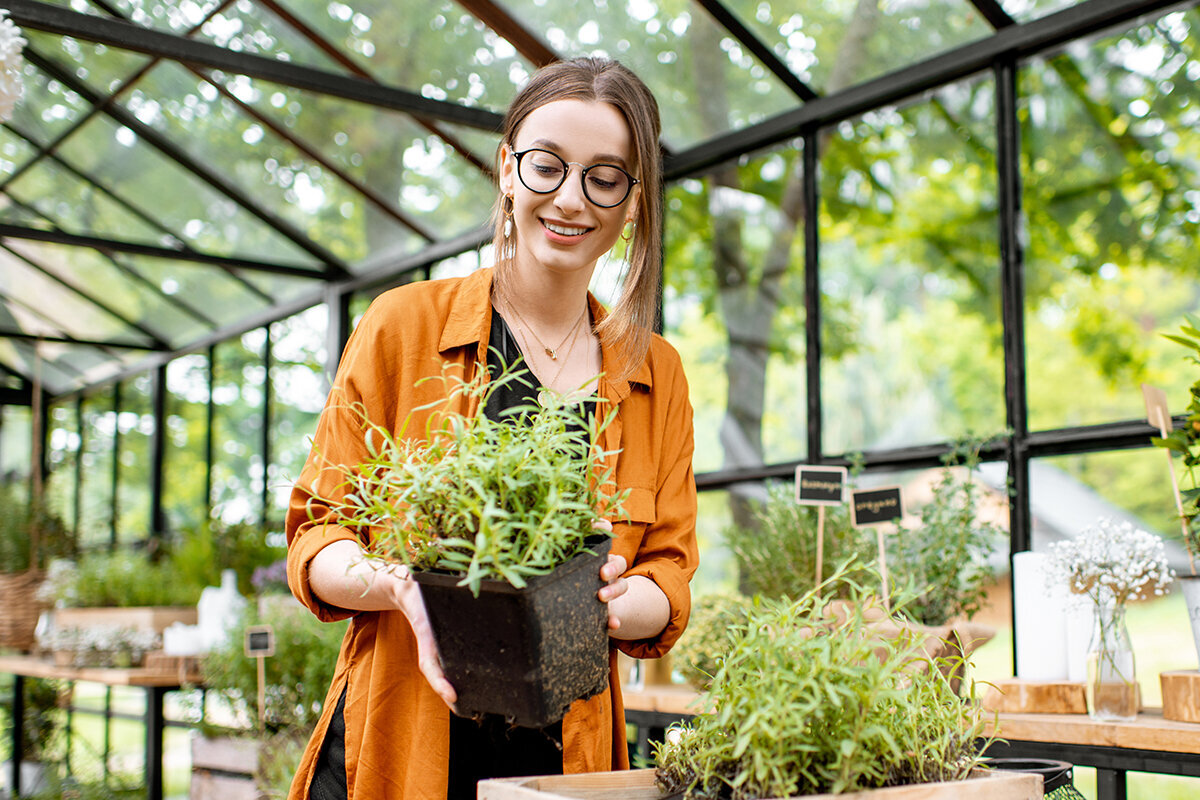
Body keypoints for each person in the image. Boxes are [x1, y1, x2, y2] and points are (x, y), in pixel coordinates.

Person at [284, 56, 699, 800]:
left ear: (633, 202)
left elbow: (668, 574)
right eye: (548, 167)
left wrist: (607, 600)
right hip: (399, 744)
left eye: (604, 177)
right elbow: (318, 540)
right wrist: (402, 587)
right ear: (507, 169)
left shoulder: (655, 371)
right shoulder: (401, 326)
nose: (571, 199)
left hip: (563, 760)